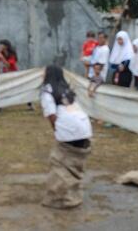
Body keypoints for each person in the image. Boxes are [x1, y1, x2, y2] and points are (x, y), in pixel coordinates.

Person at [41, 65, 92, 209]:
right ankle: (72, 192)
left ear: (48, 74)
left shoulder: (47, 91)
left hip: (69, 130)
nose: (41, 74)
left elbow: (51, 115)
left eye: (43, 72)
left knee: (60, 162)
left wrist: (57, 131)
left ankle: (61, 197)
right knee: (73, 163)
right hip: (84, 128)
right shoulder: (67, 90)